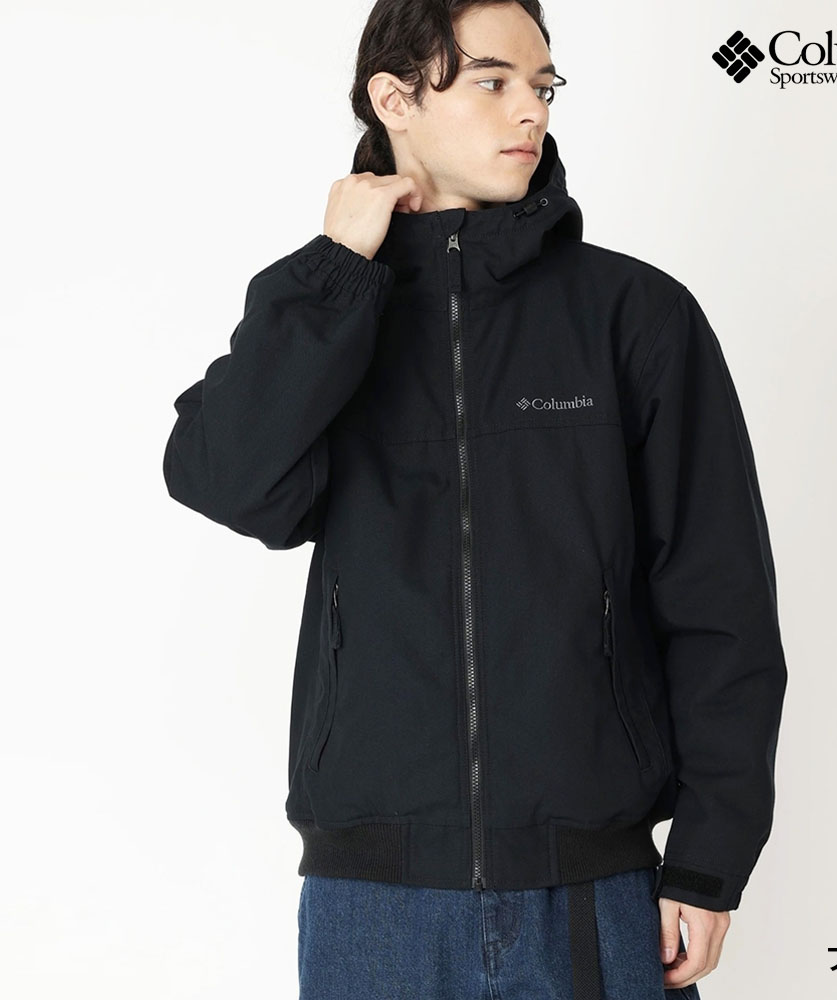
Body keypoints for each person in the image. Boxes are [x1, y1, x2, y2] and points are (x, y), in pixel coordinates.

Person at [162, 1, 788, 997]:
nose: (529, 110)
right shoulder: (329, 310)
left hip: (592, 883)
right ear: (394, 99)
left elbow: (720, 601)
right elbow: (227, 480)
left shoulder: (634, 316)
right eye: (493, 81)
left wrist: (710, 859)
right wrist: (337, 273)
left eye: (542, 86)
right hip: (375, 898)